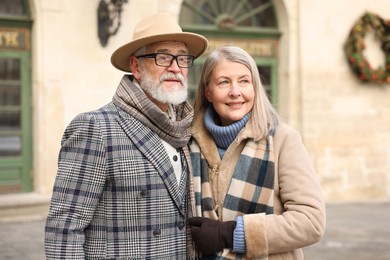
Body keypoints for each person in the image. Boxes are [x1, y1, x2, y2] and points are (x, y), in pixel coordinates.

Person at [44, 12, 208, 259]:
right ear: (136, 66)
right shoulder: (95, 128)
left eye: (182, 58)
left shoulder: (188, 129)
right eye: (163, 57)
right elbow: (65, 227)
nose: (175, 68)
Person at [188, 45, 326, 259]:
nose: (236, 92)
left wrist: (231, 234)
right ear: (208, 91)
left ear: (255, 88)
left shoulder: (283, 139)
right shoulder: (187, 142)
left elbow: (310, 221)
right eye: (224, 82)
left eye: (244, 81)